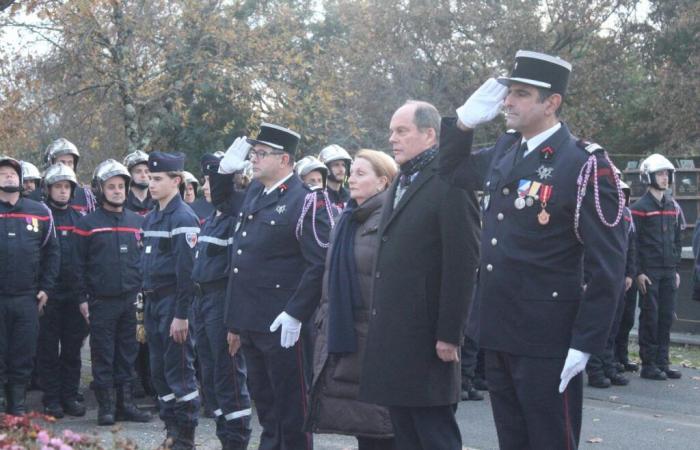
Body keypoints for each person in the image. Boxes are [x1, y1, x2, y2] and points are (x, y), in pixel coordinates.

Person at [440, 50, 627, 449]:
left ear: (551, 102)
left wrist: (585, 341)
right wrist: (461, 124)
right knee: (513, 440)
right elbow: (453, 172)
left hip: (548, 336)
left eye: (522, 94)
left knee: (548, 441)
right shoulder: (508, 150)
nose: (508, 101)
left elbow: (607, 265)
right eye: (510, 93)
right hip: (499, 326)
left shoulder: (582, 163)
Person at [358, 101, 480, 450]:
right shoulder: (403, 180)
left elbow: (462, 262)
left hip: (428, 338)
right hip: (395, 337)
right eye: (391, 131)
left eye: (402, 131)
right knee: (405, 436)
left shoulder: (450, 181)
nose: (392, 138)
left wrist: (449, 334)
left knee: (434, 436)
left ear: (429, 135)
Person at [222, 123, 331, 450]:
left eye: (261, 153)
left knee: (293, 409)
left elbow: (319, 263)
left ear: (284, 159)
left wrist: (296, 313)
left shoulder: (306, 200)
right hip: (252, 319)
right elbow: (225, 203)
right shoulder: (256, 192)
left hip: (284, 323)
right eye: (253, 153)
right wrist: (222, 173)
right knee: (267, 407)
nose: (253, 159)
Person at [307, 149, 398, 449]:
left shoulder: (390, 218)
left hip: (375, 338)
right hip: (345, 335)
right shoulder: (348, 218)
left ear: (384, 181)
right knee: (364, 427)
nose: (351, 178)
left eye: (361, 173)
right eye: (352, 172)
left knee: (382, 427)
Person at [74, 159, 152, 426]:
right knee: (103, 353)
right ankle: (106, 407)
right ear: (100, 190)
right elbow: (78, 265)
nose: (117, 191)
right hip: (101, 301)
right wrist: (82, 298)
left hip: (131, 300)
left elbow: (144, 260)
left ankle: (126, 404)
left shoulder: (136, 221)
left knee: (128, 353)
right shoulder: (87, 224)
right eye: (111, 187)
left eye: (121, 186)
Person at [192, 153, 252, 449]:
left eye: (212, 179)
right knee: (211, 374)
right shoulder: (211, 217)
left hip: (222, 301)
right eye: (205, 179)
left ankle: (237, 439)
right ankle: (224, 435)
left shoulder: (235, 217)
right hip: (202, 302)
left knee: (229, 375)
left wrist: (234, 319)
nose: (207, 185)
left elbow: (238, 275)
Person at [141, 152, 200, 449]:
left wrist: (182, 314)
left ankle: (185, 436)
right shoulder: (152, 217)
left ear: (176, 181)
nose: (151, 184)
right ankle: (171, 430)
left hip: (172, 304)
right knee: (159, 373)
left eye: (157, 179)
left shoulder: (183, 218)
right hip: (153, 304)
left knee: (179, 372)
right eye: (150, 178)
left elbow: (187, 274)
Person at [0, 156, 59, 415]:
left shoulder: (40, 212)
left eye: (12, 173)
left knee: (23, 355)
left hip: (27, 298)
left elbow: (52, 253)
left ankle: (18, 405)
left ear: (21, 179)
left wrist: (46, 288)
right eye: (2, 173)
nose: (8, 177)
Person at [36, 163, 88, 418]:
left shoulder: (80, 220)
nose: (63, 191)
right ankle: (51, 399)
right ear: (48, 189)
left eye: (67, 187)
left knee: (72, 349)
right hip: (50, 295)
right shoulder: (42, 218)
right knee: (47, 349)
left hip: (74, 295)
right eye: (58, 186)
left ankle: (70, 396)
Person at [632, 154, 683, 380]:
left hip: (668, 270)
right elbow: (633, 243)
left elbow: (677, 239)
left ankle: (663, 362)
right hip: (649, 271)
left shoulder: (673, 206)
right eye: (660, 174)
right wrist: (639, 272)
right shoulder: (639, 208)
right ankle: (649, 364)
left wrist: (676, 268)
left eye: (667, 174)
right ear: (648, 177)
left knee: (666, 317)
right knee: (650, 317)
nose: (665, 178)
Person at [585, 178, 636, 388]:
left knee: (614, 325)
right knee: (599, 325)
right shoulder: (597, 213)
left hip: (618, 276)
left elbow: (630, 246)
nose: (620, 197)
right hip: (598, 275)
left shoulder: (625, 215)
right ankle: (595, 370)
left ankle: (609, 365)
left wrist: (629, 273)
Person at [44, 138, 96, 216]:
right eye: (62, 162)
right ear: (51, 163)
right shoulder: (38, 194)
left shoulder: (85, 195)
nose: (67, 166)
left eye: (70, 163)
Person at [319, 144, 352, 209]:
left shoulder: (351, 196)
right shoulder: (318, 197)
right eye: (336, 165)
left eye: (343, 165)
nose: (341, 169)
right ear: (325, 168)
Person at [124, 150, 154, 216]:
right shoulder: (122, 200)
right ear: (129, 174)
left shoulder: (158, 199)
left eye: (147, 171)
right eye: (138, 171)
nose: (143, 175)